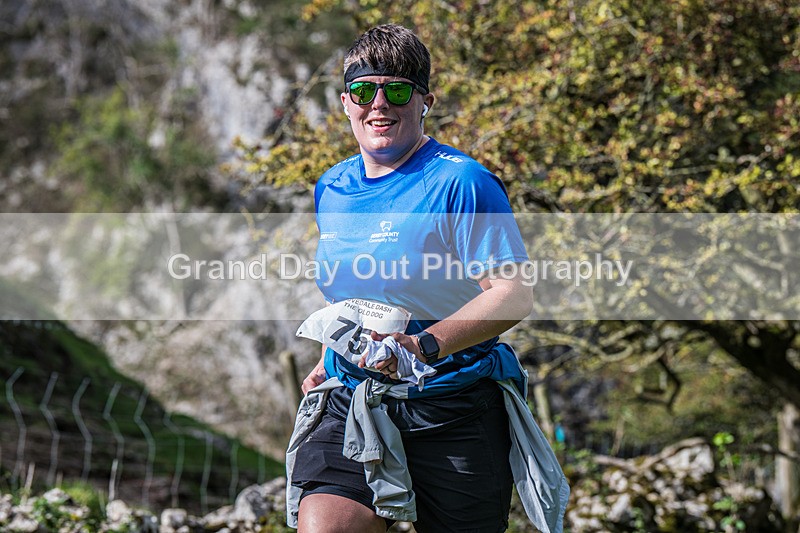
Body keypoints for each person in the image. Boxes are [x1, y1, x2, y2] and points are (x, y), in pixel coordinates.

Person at [287, 24, 566, 533]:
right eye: (363, 91)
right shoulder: (332, 186)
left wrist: (420, 347)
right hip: (355, 400)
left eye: (396, 91)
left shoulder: (462, 182)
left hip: (453, 407)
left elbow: (513, 294)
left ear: (425, 102)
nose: (379, 105)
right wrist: (330, 358)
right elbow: (354, 292)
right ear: (345, 103)